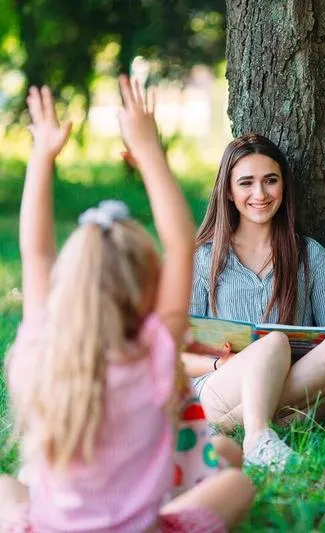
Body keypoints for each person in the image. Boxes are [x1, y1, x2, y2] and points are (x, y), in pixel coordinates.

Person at [0, 79, 254, 532]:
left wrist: (42, 155)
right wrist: (148, 149)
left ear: (69, 284)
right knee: (236, 484)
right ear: (147, 290)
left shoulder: (40, 354)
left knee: (6, 489)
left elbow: (35, 253)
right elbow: (181, 245)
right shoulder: (153, 355)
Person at [184, 133, 325, 469]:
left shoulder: (310, 255)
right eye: (246, 183)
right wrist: (225, 364)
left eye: (270, 181)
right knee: (272, 344)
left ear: (283, 186)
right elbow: (178, 356)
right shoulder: (203, 259)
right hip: (218, 386)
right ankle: (259, 435)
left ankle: (244, 424)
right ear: (229, 192)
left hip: (293, 378)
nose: (260, 194)